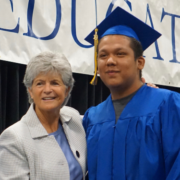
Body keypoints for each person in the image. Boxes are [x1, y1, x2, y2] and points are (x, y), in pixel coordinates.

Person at [83, 7, 180, 180]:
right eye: (103, 55)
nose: (110, 61)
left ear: (140, 62)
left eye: (120, 54)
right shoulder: (92, 117)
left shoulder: (168, 105)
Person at [0, 51, 86, 180]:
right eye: (39, 83)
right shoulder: (14, 138)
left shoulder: (73, 118)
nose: (47, 90)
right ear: (30, 90)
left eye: (54, 83)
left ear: (67, 89)